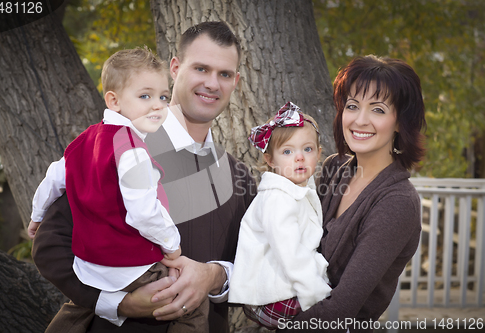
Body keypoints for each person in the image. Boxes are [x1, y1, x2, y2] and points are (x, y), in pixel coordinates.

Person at [32, 21, 256, 333]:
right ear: (175, 68)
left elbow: (257, 268)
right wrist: (119, 304)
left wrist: (214, 277)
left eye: (225, 74)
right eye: (201, 68)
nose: (212, 84)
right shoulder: (120, 149)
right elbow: (50, 245)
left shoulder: (239, 177)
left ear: (236, 82)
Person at [280, 55, 426, 333]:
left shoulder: (397, 201)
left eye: (378, 110)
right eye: (352, 106)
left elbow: (342, 308)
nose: (360, 120)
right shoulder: (336, 167)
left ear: (399, 122)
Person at [229, 102, 332, 330]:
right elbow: (290, 253)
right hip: (272, 296)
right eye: (287, 151)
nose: (299, 157)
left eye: (307, 149)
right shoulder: (277, 197)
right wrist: (316, 292)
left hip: (283, 287)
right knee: (331, 318)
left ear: (318, 153)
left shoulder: (298, 189)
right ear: (270, 160)